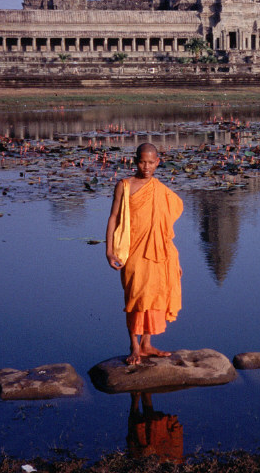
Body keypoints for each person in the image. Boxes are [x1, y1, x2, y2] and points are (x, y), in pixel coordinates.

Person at [106, 142, 183, 365]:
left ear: (158, 162)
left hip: (160, 251)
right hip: (132, 250)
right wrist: (109, 251)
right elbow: (113, 218)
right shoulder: (124, 185)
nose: (146, 166)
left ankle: (147, 344)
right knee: (136, 296)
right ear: (135, 161)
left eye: (151, 162)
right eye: (142, 161)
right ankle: (134, 347)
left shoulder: (160, 189)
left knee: (155, 294)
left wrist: (174, 259)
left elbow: (168, 219)